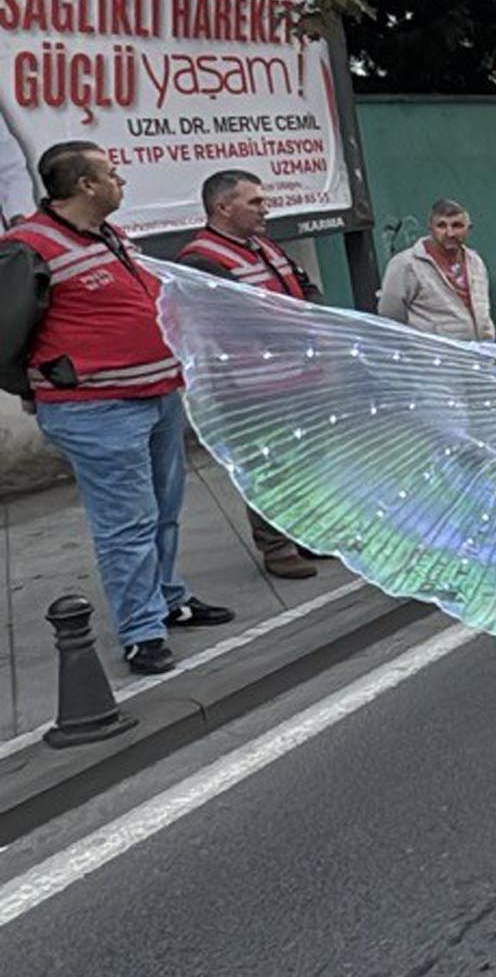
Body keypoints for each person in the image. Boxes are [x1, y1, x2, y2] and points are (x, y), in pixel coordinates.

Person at [0, 143, 234, 673]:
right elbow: (5, 334)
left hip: (156, 396)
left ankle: (168, 601)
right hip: (97, 410)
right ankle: (141, 630)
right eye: (111, 173)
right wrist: (39, 384)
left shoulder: (112, 237)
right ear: (85, 185)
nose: (120, 180)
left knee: (163, 513)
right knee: (126, 524)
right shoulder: (28, 247)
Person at [177, 169, 322, 580]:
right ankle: (275, 546)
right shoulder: (202, 259)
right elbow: (237, 320)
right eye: (255, 202)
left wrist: (315, 317)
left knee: (304, 461)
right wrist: (300, 327)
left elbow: (305, 286)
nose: (265, 209)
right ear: (223, 207)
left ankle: (307, 532)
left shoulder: (264, 247)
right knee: (268, 463)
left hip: (297, 374)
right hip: (252, 386)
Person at [378, 199, 495, 340]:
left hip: (479, 353)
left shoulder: (475, 261)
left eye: (457, 226)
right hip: (432, 356)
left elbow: (482, 308)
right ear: (430, 228)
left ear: (468, 228)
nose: (449, 233)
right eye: (441, 226)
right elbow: (390, 317)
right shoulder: (406, 264)